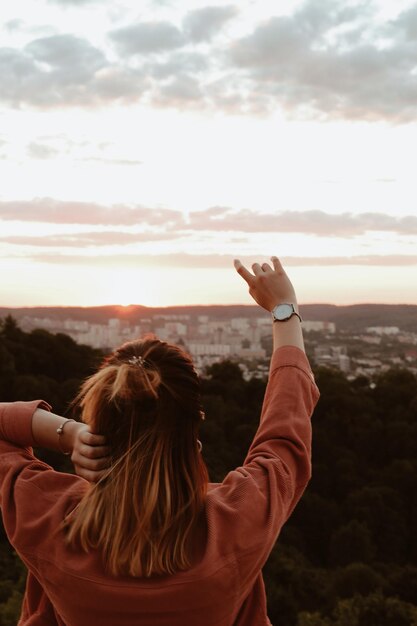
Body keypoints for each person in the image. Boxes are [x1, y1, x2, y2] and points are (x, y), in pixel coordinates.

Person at [0, 256, 319, 626]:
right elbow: (286, 431)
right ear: (194, 435)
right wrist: (284, 311)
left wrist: (68, 434)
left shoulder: (46, 518)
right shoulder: (238, 521)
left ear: (98, 426)